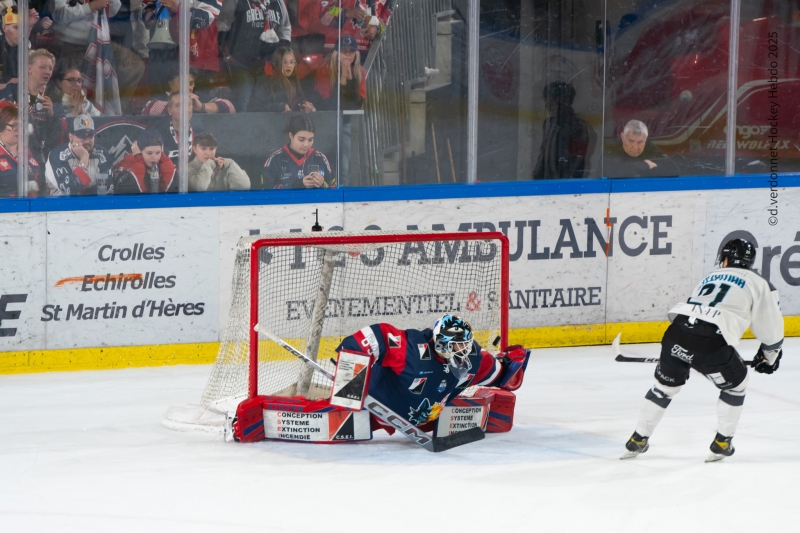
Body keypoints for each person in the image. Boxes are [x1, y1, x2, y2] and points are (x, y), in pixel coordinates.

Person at [622, 239, 784, 462]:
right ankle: (722, 442)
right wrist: (769, 357)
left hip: (675, 333)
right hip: (710, 342)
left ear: (725, 259)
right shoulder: (760, 283)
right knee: (736, 386)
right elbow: (771, 329)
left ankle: (638, 438)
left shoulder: (710, 277)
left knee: (664, 388)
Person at [336, 315, 530, 431]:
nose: (464, 350)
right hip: (373, 411)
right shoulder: (412, 350)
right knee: (340, 419)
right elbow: (360, 342)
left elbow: (502, 374)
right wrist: (349, 387)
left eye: (466, 344)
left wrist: (512, 370)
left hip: (424, 423)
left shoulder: (472, 358)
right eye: (457, 345)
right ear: (441, 343)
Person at [50, 0, 145, 113]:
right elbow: (59, 15)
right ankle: (79, 113)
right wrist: (90, 6)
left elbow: (113, 11)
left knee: (135, 66)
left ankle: (115, 112)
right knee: (77, 79)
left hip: (102, 40)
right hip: (73, 43)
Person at [0, 49, 66, 167]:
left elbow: (59, 135)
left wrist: (51, 115)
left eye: (50, 68)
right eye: (42, 67)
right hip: (12, 154)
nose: (47, 72)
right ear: (29, 68)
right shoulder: (12, 91)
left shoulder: (54, 96)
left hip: (42, 157)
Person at [223, 0, 291, 112]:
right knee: (243, 103)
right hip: (240, 63)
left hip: (266, 65)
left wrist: (282, 54)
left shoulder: (278, 2)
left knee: (260, 102)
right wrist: (227, 56)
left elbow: (285, 29)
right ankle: (241, 123)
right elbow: (224, 24)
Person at [532, 81, 590, 180]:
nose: (547, 105)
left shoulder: (578, 126)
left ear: (563, 102)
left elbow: (578, 159)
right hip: (547, 182)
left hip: (567, 184)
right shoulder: (548, 124)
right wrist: (537, 175)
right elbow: (543, 154)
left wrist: (568, 182)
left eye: (551, 101)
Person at [44, 114, 112, 196]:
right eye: (82, 136)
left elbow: (105, 190)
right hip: (60, 203)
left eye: (90, 136)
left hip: (93, 203)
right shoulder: (56, 156)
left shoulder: (102, 154)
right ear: (71, 137)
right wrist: (84, 159)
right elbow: (70, 189)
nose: (87, 141)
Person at [259, 114, 334, 189]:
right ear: (291, 135)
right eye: (301, 139)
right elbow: (265, 189)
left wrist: (323, 185)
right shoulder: (275, 159)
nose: (306, 144)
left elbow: (334, 188)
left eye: (310, 140)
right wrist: (295, 185)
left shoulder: (320, 158)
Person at [141, 66, 235, 115]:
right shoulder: (160, 98)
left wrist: (201, 107)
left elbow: (229, 106)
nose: (188, 87)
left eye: (191, 83)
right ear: (170, 84)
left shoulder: (197, 97)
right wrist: (182, 104)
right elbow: (147, 109)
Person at [248, 46, 314, 113]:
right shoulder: (266, 83)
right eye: (285, 62)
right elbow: (254, 108)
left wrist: (306, 107)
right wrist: (279, 107)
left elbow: (299, 104)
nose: (289, 65)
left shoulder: (296, 83)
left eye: (292, 62)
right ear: (276, 64)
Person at [604, 119, 679, 178]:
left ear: (645, 139)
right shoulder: (613, 148)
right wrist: (645, 165)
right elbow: (611, 172)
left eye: (640, 142)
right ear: (623, 137)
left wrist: (636, 171)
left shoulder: (649, 147)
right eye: (631, 141)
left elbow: (674, 170)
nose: (635, 147)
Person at [112, 128, 176, 193]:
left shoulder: (164, 164)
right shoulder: (128, 162)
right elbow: (131, 191)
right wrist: (138, 159)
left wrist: (164, 159)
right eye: (149, 153)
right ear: (139, 150)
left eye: (158, 153)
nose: (155, 157)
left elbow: (174, 188)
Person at [312, 34, 366, 111]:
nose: (348, 54)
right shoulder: (325, 69)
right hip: (326, 114)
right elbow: (330, 104)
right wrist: (343, 78)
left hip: (348, 115)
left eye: (351, 51)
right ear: (336, 53)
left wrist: (351, 79)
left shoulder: (360, 71)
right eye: (344, 51)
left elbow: (357, 105)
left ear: (356, 54)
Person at [1, 6, 52, 86]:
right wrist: (6, 85)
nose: (21, 33)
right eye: (16, 27)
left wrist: (30, 25)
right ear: (4, 28)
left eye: (24, 28)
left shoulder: (27, 47)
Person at [0, 104, 40, 197]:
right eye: (14, 126)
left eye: (21, 126)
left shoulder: (29, 149)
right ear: (1, 127)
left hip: (30, 204)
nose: (19, 130)